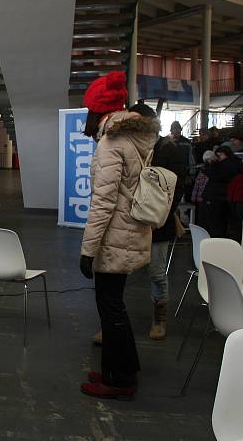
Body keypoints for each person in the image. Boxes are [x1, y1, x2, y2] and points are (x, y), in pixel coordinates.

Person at [79, 72, 157, 400]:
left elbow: (103, 202)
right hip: (129, 232)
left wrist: (88, 250)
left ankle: (119, 379)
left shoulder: (111, 143)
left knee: (110, 308)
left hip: (114, 237)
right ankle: (120, 370)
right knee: (114, 306)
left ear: (98, 110)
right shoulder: (133, 138)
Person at [131, 105, 186, 340]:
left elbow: (177, 188)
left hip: (158, 223)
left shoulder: (168, 149)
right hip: (131, 221)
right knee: (121, 273)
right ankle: (115, 323)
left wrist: (162, 216)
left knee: (156, 272)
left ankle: (159, 319)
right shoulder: (131, 148)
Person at [201, 146, 242, 238]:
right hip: (225, 195)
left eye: (219, 156)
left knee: (213, 221)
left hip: (215, 194)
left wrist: (208, 167)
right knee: (222, 220)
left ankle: (214, 239)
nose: (217, 158)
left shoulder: (224, 165)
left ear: (224, 154)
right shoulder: (235, 163)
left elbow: (217, 177)